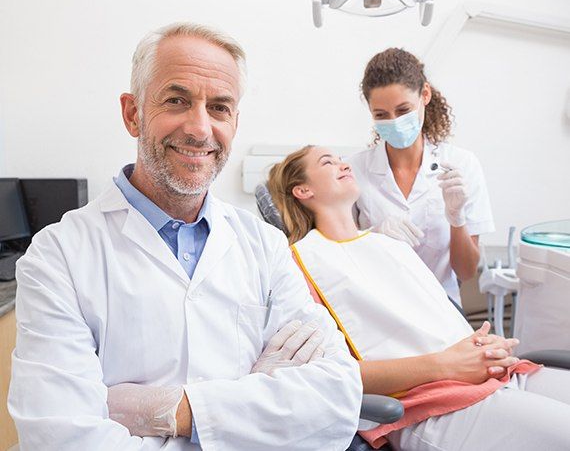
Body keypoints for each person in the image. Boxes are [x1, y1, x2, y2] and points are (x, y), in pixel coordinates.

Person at [8, 23, 363, 451]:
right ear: (132, 113)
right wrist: (254, 402)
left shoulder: (265, 246)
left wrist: (174, 410)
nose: (200, 128)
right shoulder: (57, 256)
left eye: (219, 108)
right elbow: (61, 438)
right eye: (177, 101)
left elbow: (337, 399)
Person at [267, 145, 570, 450]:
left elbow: (439, 322)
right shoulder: (300, 263)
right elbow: (330, 374)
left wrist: (486, 346)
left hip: (498, 375)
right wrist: (447, 364)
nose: (342, 164)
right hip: (434, 405)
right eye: (327, 162)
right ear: (303, 190)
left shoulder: (390, 244)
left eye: (340, 159)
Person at [346, 48, 494, 305]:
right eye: (381, 115)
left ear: (424, 95)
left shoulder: (462, 164)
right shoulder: (354, 169)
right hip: (379, 306)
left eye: (403, 110)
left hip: (442, 305)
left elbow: (467, 271)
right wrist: (370, 236)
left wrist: (456, 219)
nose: (393, 122)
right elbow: (342, 256)